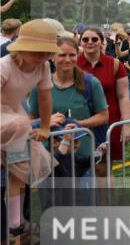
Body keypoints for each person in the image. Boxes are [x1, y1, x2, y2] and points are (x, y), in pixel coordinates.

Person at [1, 20, 58, 239]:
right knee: (20, 125)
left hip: (15, 116)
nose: (43, 57)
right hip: (8, 117)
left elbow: (45, 97)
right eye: (37, 51)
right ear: (22, 48)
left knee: (22, 165)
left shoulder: (43, 67)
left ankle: (16, 222)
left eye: (47, 52)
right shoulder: (4, 66)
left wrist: (45, 126)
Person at [28, 37, 108, 177]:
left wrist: (76, 125)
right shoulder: (40, 85)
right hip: (49, 157)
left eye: (72, 55)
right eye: (62, 55)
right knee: (51, 192)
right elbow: (32, 119)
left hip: (82, 157)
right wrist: (47, 124)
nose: (67, 59)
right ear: (52, 56)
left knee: (83, 191)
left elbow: (104, 116)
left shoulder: (91, 83)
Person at [77, 27, 130, 172]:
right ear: (80, 42)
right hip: (81, 123)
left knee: (103, 169)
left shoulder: (115, 64)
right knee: (77, 169)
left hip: (109, 123)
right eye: (85, 39)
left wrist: (126, 125)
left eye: (94, 39)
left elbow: (123, 96)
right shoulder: (73, 64)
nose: (90, 42)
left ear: (102, 42)